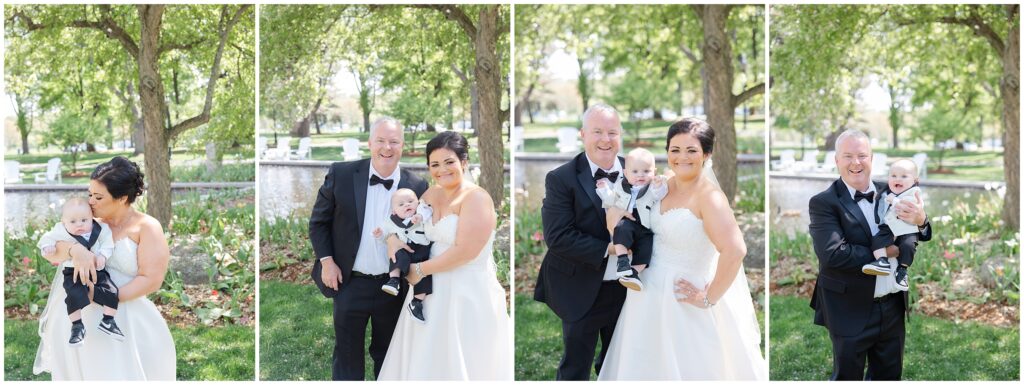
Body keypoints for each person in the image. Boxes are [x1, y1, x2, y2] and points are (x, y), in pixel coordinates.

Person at [597, 117, 766, 380]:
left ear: (707, 154)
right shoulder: (659, 187)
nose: (682, 157)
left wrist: (708, 297)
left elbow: (735, 250)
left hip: (682, 299)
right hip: (646, 295)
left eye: (691, 150)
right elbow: (632, 221)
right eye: (675, 150)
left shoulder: (710, 198)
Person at [378, 131, 513, 380]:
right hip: (427, 291)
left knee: (463, 359)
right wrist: (392, 239)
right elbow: (405, 225)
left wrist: (418, 271)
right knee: (424, 354)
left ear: (463, 161)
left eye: (449, 162)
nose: (442, 170)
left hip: (465, 290)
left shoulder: (476, 198)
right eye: (435, 164)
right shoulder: (430, 195)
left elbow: (465, 252)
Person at [34, 156, 176, 380]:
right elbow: (52, 250)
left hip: (123, 313)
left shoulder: (146, 227)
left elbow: (151, 279)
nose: (90, 202)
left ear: (122, 198)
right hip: (78, 313)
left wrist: (102, 296)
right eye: (89, 194)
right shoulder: (87, 221)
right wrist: (75, 251)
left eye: (98, 197)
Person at [309, 117, 429, 380]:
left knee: (388, 355)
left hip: (394, 285)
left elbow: (424, 235)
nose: (387, 148)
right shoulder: (341, 174)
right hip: (350, 281)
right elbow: (319, 222)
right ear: (369, 143)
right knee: (347, 356)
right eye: (381, 141)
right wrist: (327, 262)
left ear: (403, 145)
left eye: (394, 142)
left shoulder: (418, 186)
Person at [808, 130, 932, 380]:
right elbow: (834, 254)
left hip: (893, 305)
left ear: (872, 159)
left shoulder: (894, 191)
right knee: (847, 377)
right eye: (848, 156)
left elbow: (921, 232)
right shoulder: (823, 203)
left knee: (889, 376)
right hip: (848, 307)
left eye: (862, 155)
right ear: (837, 161)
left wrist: (922, 220)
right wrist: (889, 251)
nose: (856, 162)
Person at [534, 104, 640, 380]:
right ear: (583, 134)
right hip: (579, 284)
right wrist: (611, 248)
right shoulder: (561, 178)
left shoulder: (639, 171)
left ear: (620, 135)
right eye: (597, 132)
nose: (605, 139)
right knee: (575, 366)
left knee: (620, 363)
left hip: (629, 286)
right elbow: (557, 236)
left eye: (612, 132)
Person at [37, 198, 121, 346]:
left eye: (84, 220)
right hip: (73, 271)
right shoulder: (61, 230)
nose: (80, 224)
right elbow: (47, 238)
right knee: (74, 295)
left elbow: (108, 243)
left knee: (111, 290)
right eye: (73, 221)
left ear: (92, 218)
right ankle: (77, 326)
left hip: (96, 269)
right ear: (64, 221)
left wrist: (102, 255)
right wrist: (48, 246)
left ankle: (108, 320)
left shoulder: (100, 228)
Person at [595, 147, 668, 291]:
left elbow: (659, 195)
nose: (640, 175)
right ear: (625, 173)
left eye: (646, 171)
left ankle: (633, 273)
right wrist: (604, 190)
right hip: (628, 219)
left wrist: (659, 185)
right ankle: (622, 261)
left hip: (645, 225)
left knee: (646, 248)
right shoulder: (620, 186)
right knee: (620, 230)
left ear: (654, 172)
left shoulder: (651, 187)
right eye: (635, 172)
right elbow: (611, 200)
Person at [863, 158, 925, 291]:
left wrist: (894, 201)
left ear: (915, 180)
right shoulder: (885, 190)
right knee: (877, 240)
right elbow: (882, 200)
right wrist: (879, 196)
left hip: (907, 228)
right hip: (889, 227)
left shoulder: (914, 192)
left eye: (904, 176)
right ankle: (882, 261)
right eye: (893, 176)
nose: (898, 179)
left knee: (908, 246)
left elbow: (907, 206)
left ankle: (902, 270)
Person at [375, 188, 433, 322]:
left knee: (424, 276)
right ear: (394, 211)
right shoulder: (392, 221)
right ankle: (394, 280)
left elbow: (428, 211)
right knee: (396, 255)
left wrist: (420, 216)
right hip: (404, 249)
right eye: (401, 204)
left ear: (417, 202)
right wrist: (379, 234)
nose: (407, 205)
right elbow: (385, 234)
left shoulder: (420, 212)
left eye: (410, 201)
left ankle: (416, 303)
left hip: (421, 251)